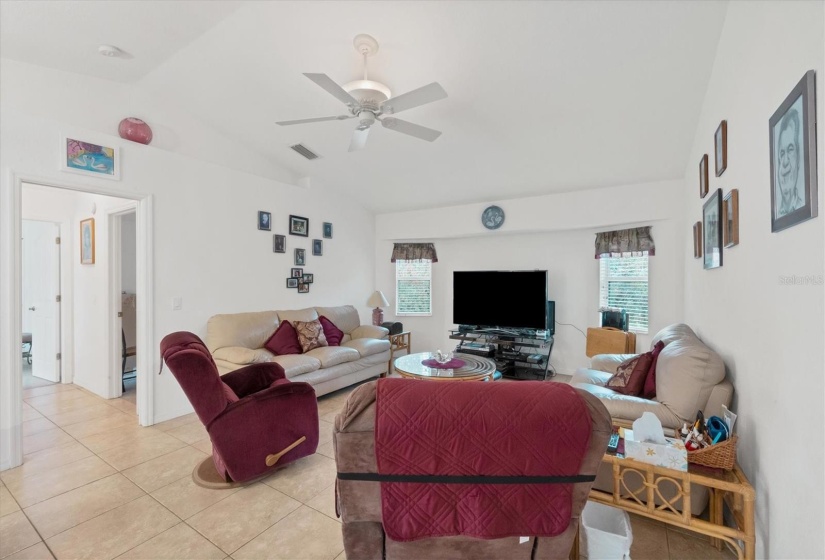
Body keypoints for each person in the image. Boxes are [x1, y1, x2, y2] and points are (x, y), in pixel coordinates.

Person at [776, 107, 804, 217]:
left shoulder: (801, 206)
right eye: (782, 153)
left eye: (790, 149)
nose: (785, 162)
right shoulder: (776, 214)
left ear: (798, 159)